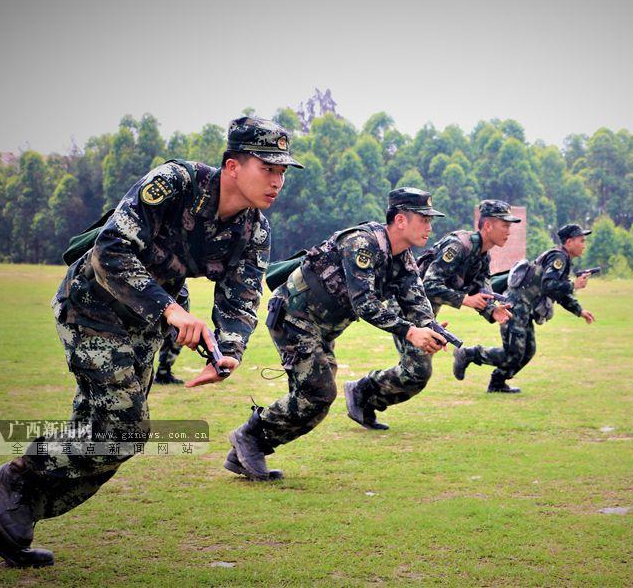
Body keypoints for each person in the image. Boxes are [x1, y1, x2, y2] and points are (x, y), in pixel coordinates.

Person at [0, 116, 301, 567]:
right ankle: (15, 479)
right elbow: (110, 250)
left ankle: (4, 524)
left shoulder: (254, 229)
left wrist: (228, 351)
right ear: (232, 166)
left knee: (111, 441)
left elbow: (241, 297)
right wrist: (172, 310)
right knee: (124, 431)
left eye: (283, 171)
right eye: (268, 168)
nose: (277, 181)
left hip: (143, 326)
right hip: (93, 306)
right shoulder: (175, 183)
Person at [227, 188, 448, 480]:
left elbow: (416, 300)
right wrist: (409, 332)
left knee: (317, 399)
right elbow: (365, 304)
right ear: (401, 220)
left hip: (322, 328)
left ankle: (245, 451)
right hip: (294, 318)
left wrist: (431, 327)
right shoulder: (362, 244)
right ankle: (249, 437)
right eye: (423, 219)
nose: (430, 227)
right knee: (318, 393)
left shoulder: (401, 257)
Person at [453, 223, 596, 393]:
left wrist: (579, 310)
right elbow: (549, 285)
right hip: (516, 305)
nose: (584, 245)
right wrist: (574, 285)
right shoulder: (559, 258)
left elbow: (558, 293)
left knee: (528, 350)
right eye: (581, 240)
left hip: (525, 308)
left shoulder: (563, 260)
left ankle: (498, 383)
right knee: (514, 353)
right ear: (569, 242)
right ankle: (469, 354)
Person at [153, 286, 190, 384]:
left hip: (177, 292)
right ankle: (162, 373)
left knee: (178, 336)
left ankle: (163, 372)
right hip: (159, 292)